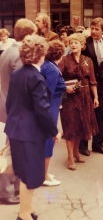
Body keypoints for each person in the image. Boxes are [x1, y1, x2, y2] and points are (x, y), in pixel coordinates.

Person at [4, 35, 61, 220]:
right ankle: (24, 214)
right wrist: (54, 131)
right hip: (30, 133)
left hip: (16, 130)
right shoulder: (36, 77)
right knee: (31, 176)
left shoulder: (18, 73)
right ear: (41, 55)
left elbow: (10, 103)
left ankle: (26, 210)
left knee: (23, 173)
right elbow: (42, 110)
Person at [0, 18, 37, 205]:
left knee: (6, 150)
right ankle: (6, 192)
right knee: (10, 152)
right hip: (13, 111)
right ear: (29, 35)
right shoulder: (19, 55)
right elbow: (23, 87)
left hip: (5, 107)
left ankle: (7, 189)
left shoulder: (7, 51)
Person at [59, 33, 99, 170]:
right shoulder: (64, 60)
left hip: (85, 97)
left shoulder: (88, 60)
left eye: (76, 42)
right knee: (70, 126)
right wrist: (65, 88)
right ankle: (70, 156)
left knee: (80, 125)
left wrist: (96, 97)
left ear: (82, 45)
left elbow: (92, 81)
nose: (73, 45)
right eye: (71, 43)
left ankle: (76, 152)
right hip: (69, 98)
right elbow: (57, 79)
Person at [79, 17, 103, 156]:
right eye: (91, 28)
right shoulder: (85, 43)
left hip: (101, 83)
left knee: (100, 112)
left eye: (96, 29)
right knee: (86, 113)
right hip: (87, 83)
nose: (93, 31)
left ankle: (97, 144)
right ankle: (83, 145)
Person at [41, 40, 74, 186]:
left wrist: (64, 86)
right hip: (51, 111)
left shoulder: (47, 66)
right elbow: (47, 95)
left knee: (45, 142)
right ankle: (44, 176)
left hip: (51, 108)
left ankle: (43, 172)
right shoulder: (53, 70)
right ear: (60, 54)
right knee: (49, 141)